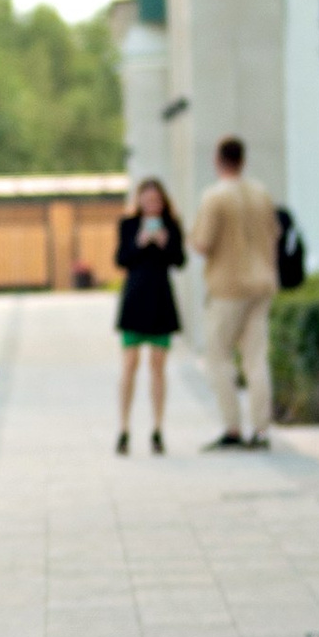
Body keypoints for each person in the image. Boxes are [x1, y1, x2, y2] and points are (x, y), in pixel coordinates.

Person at [193, 134, 280, 449]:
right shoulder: (261, 193)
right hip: (262, 283)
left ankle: (232, 427)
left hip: (229, 286)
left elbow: (202, 243)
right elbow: (275, 233)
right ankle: (261, 429)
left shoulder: (214, 197)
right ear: (242, 159)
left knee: (217, 356)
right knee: (256, 358)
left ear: (218, 160)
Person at [113, 178, 183, 455]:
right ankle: (124, 428)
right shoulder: (128, 225)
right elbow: (121, 259)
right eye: (147, 199)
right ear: (139, 201)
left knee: (158, 367)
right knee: (129, 364)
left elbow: (179, 260)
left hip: (161, 302)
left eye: (156, 200)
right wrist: (140, 242)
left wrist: (165, 242)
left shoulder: (172, 226)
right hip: (134, 301)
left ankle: (157, 428)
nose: (152, 204)